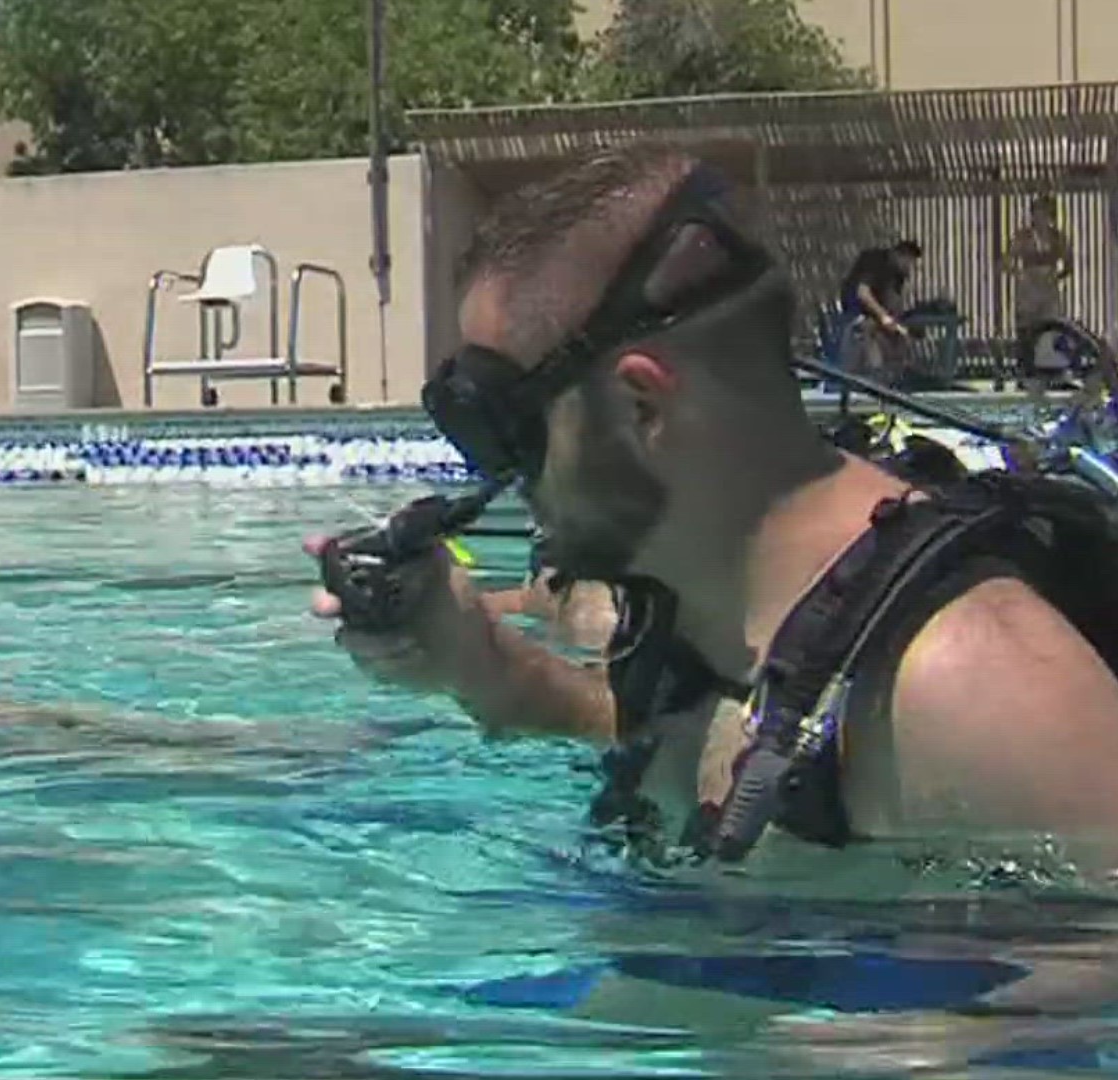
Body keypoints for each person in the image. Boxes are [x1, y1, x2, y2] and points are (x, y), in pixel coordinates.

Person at [306, 142, 1118, 1027]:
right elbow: (685, 738)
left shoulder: (968, 678)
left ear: (643, 406)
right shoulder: (689, 608)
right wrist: (479, 665)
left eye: (506, 427)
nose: (502, 476)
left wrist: (927, 1046)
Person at [1005, 194, 1074, 389]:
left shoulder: (1058, 237)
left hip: (1048, 285)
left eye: (1045, 212)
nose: (1041, 217)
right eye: (1037, 212)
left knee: (1051, 327)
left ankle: (1053, 372)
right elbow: (1005, 261)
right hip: (1029, 286)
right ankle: (1025, 371)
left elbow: (1069, 265)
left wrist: (1056, 276)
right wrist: (1019, 274)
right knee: (1027, 328)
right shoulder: (1023, 236)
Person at [837, 237, 922, 385]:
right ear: (898, 254)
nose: (909, 266)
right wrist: (883, 317)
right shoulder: (875, 262)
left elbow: (893, 301)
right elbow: (862, 293)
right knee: (868, 333)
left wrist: (898, 324)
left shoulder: (898, 274)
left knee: (899, 338)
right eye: (907, 261)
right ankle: (875, 374)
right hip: (856, 312)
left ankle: (893, 377)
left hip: (877, 317)